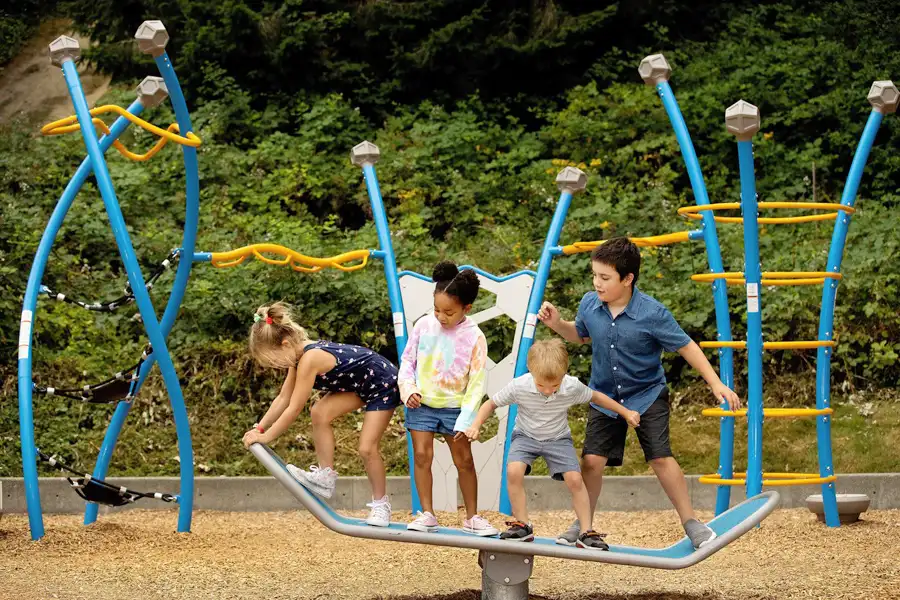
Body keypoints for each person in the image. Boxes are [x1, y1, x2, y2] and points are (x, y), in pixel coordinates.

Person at [538, 237, 741, 549]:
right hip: (605, 397)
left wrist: (715, 383)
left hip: (647, 395)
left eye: (605, 278)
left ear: (627, 278)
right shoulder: (589, 305)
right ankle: (583, 523)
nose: (597, 283)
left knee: (660, 458)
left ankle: (691, 522)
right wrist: (557, 324)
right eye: (594, 275)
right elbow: (579, 335)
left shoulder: (653, 313)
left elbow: (687, 347)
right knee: (592, 461)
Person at [465, 339, 640, 550]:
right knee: (513, 471)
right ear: (530, 371)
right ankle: (522, 524)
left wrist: (625, 412)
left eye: (554, 385)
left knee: (575, 479)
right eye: (541, 385)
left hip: (558, 438)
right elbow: (490, 403)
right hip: (525, 436)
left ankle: (586, 531)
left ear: (564, 374)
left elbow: (598, 397)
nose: (548, 391)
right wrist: (475, 425)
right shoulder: (519, 386)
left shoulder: (571, 386)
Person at [241, 302, 401, 528]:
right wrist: (259, 428)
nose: (275, 366)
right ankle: (326, 477)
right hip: (360, 385)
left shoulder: (309, 358)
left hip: (382, 382)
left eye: (274, 360)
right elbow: (282, 399)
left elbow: (293, 408)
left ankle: (380, 505)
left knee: (366, 448)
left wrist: (266, 438)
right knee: (319, 412)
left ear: (285, 344)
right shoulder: (295, 358)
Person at [398, 261, 499, 536]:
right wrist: (408, 390)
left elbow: (477, 382)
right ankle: (427, 513)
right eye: (437, 309)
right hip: (422, 404)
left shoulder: (475, 336)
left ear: (467, 308)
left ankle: (472, 517)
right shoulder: (423, 326)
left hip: (456, 409)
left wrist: (468, 419)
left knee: (464, 461)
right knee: (421, 456)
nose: (441, 317)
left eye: (449, 312)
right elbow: (407, 361)